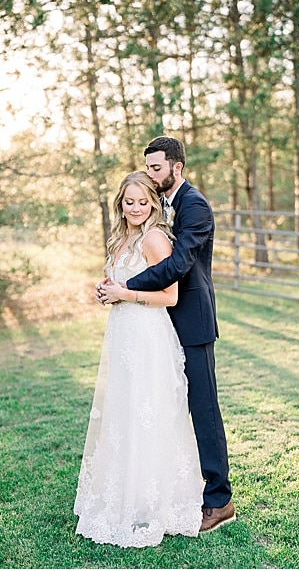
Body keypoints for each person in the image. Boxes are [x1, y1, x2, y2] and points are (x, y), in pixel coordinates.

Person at [97, 136, 235, 533]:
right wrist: (116, 284)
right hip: (156, 325)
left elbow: (178, 264)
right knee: (155, 407)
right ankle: (156, 490)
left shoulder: (195, 207)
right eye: (149, 168)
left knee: (203, 408)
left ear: (178, 167)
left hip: (190, 320)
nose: (153, 177)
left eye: (158, 169)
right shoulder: (163, 207)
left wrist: (124, 288)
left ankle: (219, 499)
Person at [79, 171, 203, 547]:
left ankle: (151, 502)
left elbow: (170, 297)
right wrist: (107, 292)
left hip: (149, 336)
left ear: (153, 203)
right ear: (121, 203)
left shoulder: (153, 239)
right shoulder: (122, 238)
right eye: (129, 202)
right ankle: (125, 493)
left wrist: (125, 295)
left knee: (147, 414)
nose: (135, 208)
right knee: (124, 414)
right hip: (123, 336)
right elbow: (121, 283)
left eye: (142, 202)